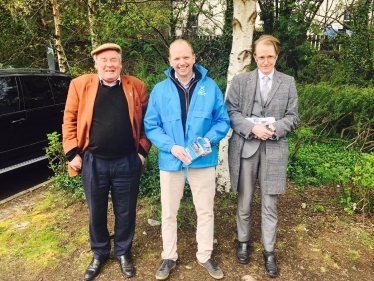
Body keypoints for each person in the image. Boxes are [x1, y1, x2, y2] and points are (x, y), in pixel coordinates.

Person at [62, 43, 151, 280]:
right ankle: (99, 253)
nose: (109, 64)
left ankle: (123, 252)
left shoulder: (136, 86)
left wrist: (142, 152)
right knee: (96, 211)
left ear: (121, 64)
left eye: (113, 60)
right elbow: (69, 121)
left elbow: (146, 123)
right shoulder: (80, 85)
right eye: (104, 61)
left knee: (126, 211)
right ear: (96, 64)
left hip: (127, 161)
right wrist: (72, 153)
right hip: (93, 162)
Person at [144, 39, 230, 280]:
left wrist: (208, 141)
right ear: (170, 61)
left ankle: (205, 255)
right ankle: (168, 255)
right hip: (171, 162)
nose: (181, 62)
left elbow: (222, 121)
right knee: (169, 212)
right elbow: (151, 125)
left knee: (205, 212)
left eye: (186, 57)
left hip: (202, 161)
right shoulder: (160, 90)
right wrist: (170, 147)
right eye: (176, 58)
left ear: (194, 57)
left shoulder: (210, 87)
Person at [225, 35, 299, 278]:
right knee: (244, 202)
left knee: (270, 205)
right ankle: (243, 242)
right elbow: (231, 111)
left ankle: (269, 251)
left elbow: (293, 116)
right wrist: (251, 128)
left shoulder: (287, 82)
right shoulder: (241, 80)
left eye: (270, 56)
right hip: (246, 148)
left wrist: (275, 128)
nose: (265, 61)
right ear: (254, 56)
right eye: (261, 56)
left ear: (276, 57)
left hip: (274, 150)